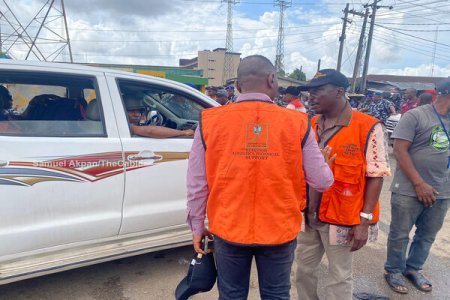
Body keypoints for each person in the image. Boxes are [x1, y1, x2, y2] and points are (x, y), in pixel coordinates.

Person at [186, 55, 334, 299]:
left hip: (228, 226)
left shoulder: (210, 121)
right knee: (276, 293)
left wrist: (196, 225)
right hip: (279, 229)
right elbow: (322, 181)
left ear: (237, 86)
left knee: (232, 294)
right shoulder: (298, 122)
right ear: (272, 79)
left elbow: (196, 182)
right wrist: (326, 166)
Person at [295, 69, 391, 300]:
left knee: (339, 276)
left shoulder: (367, 126)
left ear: (339, 92)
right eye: (309, 92)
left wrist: (364, 222)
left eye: (318, 91)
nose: (311, 97)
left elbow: (376, 175)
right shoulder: (312, 124)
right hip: (309, 215)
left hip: (342, 218)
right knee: (303, 271)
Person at [384, 78, 450, 294]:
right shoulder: (416, 115)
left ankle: (413, 268)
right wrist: (420, 183)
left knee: (427, 234)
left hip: (443, 190)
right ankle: (393, 270)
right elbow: (400, 151)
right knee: (400, 233)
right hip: (410, 189)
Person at [124, 94, 194, 138]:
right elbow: (150, 131)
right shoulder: (127, 126)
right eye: (132, 111)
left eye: (139, 111)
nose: (137, 114)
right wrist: (183, 132)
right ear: (123, 111)